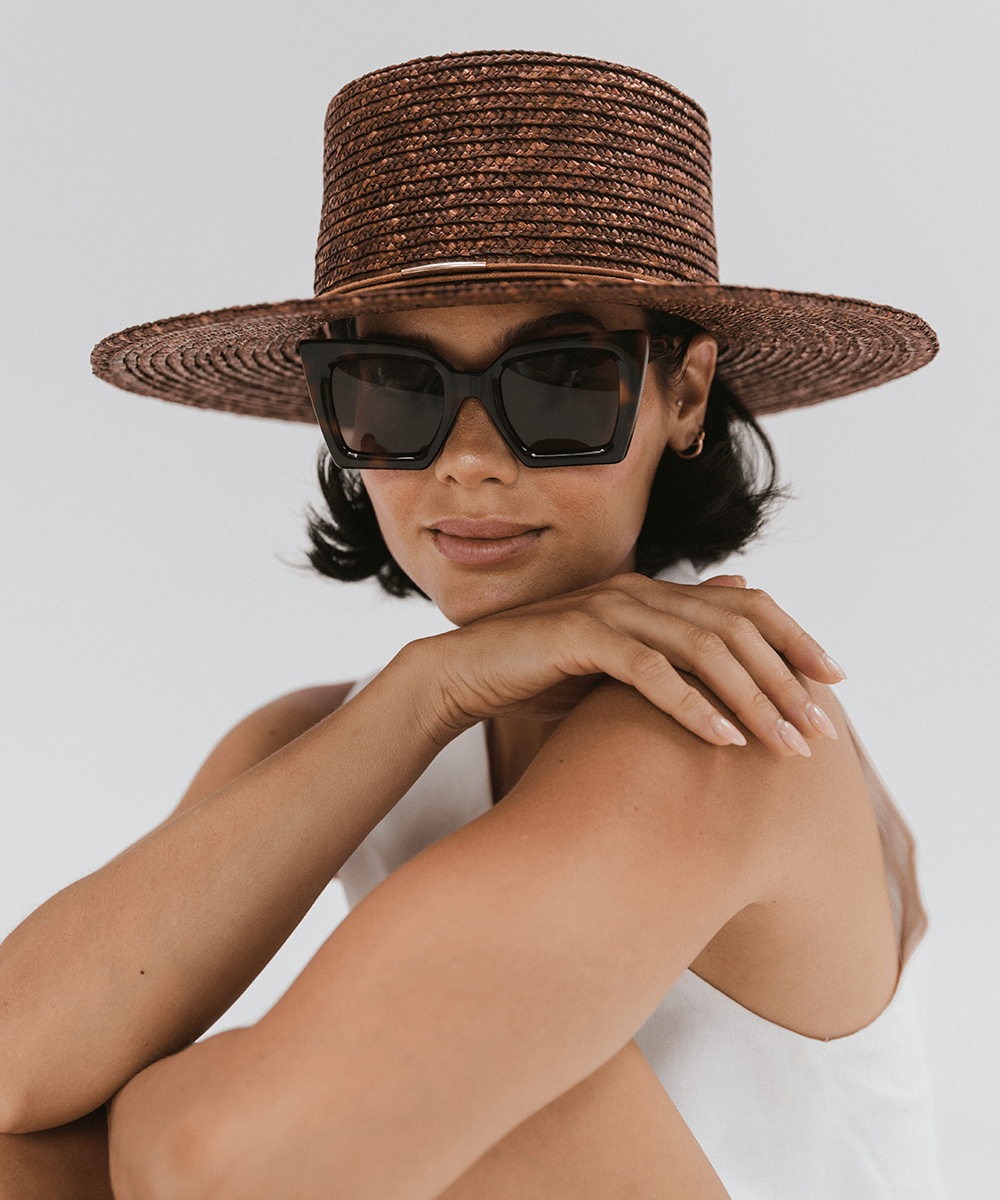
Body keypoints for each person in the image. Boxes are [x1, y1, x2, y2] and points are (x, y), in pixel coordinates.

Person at [0, 50, 943, 1200]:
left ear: (683, 394)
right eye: (395, 390)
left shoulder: (730, 729)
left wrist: (142, 1100)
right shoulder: (333, 741)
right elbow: (14, 1066)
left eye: (557, 382)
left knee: (515, 1096)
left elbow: (232, 1157)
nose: (471, 462)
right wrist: (426, 689)